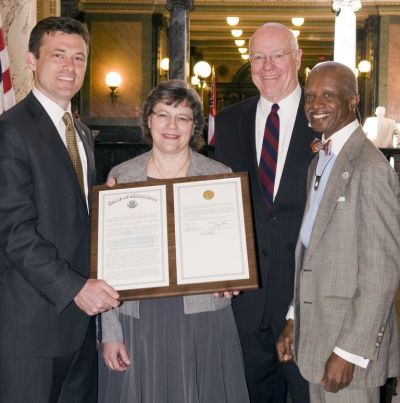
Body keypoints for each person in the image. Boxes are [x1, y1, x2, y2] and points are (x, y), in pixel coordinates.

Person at [98, 79, 249, 403]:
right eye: (163, 114)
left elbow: (231, 255)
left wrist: (232, 278)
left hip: (202, 316)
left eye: (182, 117)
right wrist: (110, 333)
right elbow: (107, 266)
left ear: (194, 125)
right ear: (148, 120)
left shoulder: (219, 174)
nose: (171, 125)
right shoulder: (122, 177)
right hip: (138, 317)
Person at [0, 17, 120, 403]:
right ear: (32, 60)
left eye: (79, 58)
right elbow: (14, 232)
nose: (70, 67)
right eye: (58, 56)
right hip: (32, 329)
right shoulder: (11, 130)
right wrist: (74, 289)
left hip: (81, 326)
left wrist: (106, 204)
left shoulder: (80, 131)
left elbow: (70, 212)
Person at [276, 61, 400, 403]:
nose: (316, 105)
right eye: (311, 96)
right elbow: (311, 250)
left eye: (328, 95)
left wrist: (349, 351)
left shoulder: (370, 168)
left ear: (352, 101)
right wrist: (293, 317)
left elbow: (382, 271)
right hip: (315, 337)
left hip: (347, 348)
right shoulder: (320, 160)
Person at [214, 22, 318, 402]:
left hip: (305, 304)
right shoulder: (227, 122)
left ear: (298, 58)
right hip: (244, 300)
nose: (267, 66)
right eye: (258, 57)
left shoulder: (324, 119)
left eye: (278, 55)